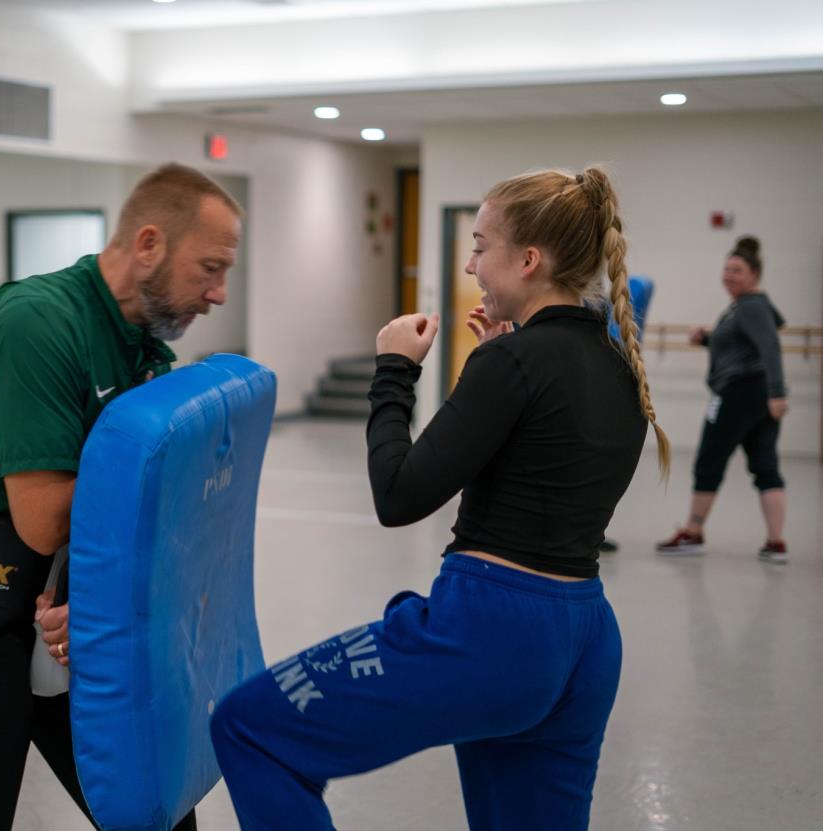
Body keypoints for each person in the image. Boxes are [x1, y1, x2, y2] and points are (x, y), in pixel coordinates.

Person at [209, 167, 668, 831]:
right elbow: (541, 460)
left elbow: (397, 495)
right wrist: (493, 373)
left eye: (481, 247)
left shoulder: (511, 364)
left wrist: (394, 368)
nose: (471, 264)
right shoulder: (616, 365)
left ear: (529, 259)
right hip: (584, 642)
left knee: (250, 728)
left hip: (491, 632)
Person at [0, 162, 243, 830]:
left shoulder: (140, 347)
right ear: (148, 244)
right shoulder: (37, 323)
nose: (219, 293)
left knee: (156, 812)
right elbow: (46, 517)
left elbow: (112, 515)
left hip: (57, 605)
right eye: (210, 267)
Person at [656, 236, 789, 563]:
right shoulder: (744, 307)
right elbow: (741, 347)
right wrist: (707, 339)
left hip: (739, 395)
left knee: (709, 461)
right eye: (726, 269)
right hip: (753, 396)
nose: (729, 275)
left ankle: (693, 532)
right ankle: (776, 543)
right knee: (764, 466)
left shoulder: (752, 307)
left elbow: (770, 348)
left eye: (737, 270)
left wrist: (778, 393)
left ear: (754, 274)